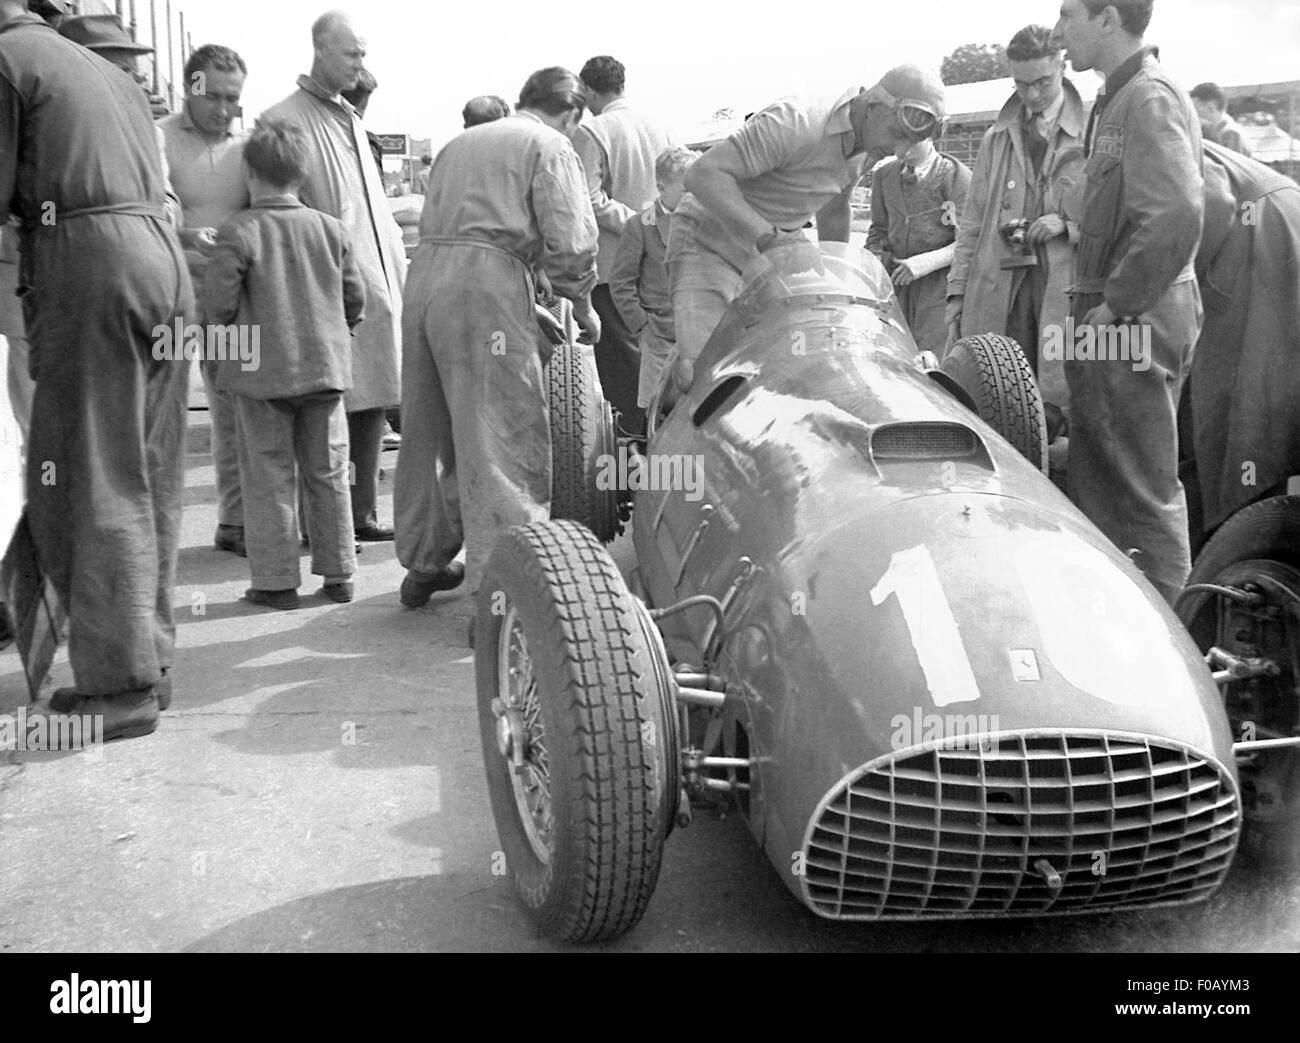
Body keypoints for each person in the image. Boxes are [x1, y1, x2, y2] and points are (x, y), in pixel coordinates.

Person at [0, 1, 193, 738]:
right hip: (158, 262)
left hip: (92, 261)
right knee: (149, 467)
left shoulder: (10, 62)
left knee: (93, 473)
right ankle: (151, 658)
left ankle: (119, 685)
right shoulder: (99, 73)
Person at [394, 67, 599, 625]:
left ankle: (424, 558)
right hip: (486, 285)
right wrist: (579, 303)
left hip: (427, 280)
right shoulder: (551, 145)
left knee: (430, 430)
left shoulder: (460, 143)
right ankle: (504, 598)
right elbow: (572, 242)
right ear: (573, 113)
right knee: (504, 438)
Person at [1053, 0, 1204, 605]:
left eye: (1069, 14)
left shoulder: (1146, 98)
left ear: (1108, 18)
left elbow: (1176, 214)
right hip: (1116, 312)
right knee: (1102, 471)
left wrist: (1116, 305)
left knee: (1140, 489)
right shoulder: (1119, 96)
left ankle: (1175, 646)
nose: (1060, 30)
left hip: (1131, 316)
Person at [666, 64, 939, 396]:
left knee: (789, 359)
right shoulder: (796, 122)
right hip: (708, 239)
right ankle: (664, 413)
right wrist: (767, 237)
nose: (898, 152)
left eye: (908, 143)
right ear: (873, 107)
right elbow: (702, 175)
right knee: (702, 375)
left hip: (773, 247)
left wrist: (838, 277)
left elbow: (836, 206)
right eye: (897, 135)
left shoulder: (869, 145)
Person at [203, 118, 365, 611]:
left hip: (261, 377)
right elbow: (353, 298)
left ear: (251, 173)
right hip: (324, 370)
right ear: (302, 174)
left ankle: (275, 582)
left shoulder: (240, 230)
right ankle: (339, 573)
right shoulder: (330, 229)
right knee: (330, 471)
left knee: (267, 476)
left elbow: (219, 303)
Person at [262, 10, 406, 543]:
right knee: (323, 413)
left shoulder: (349, 117)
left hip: (374, 288)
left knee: (371, 402)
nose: (360, 63)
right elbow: (279, 213)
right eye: (352, 53)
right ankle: (320, 526)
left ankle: (362, 514)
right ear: (320, 48)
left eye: (363, 54)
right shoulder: (285, 119)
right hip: (325, 294)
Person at [946, 23, 1087, 446]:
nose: (1032, 95)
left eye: (1042, 82)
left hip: (1063, 291)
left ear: (1062, 67)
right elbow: (971, 225)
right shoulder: (995, 140)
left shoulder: (1097, 132)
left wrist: (1069, 225)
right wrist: (957, 294)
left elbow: (1118, 213)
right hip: (1000, 288)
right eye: (1021, 85)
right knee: (994, 396)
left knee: (1060, 404)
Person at [1183, 140, 1300, 543]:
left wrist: (1179, 277)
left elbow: (1213, 200)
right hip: (1273, 224)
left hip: (1261, 232)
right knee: (1268, 390)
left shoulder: (1141, 132)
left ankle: (1239, 533)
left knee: (1242, 395)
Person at [160, 43, 250, 558]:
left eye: (232, 98)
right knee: (164, 411)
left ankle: (235, 522)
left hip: (228, 300)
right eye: (212, 96)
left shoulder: (248, 145)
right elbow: (149, 213)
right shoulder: (160, 138)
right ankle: (156, 530)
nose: (222, 108)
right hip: (170, 295)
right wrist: (188, 237)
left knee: (233, 410)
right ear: (191, 86)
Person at [575, 55, 674, 438]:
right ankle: (669, 445)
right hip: (663, 265)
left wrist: (636, 223)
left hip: (616, 270)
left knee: (623, 371)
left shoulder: (592, 132)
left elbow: (587, 198)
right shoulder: (660, 128)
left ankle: (637, 461)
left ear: (586, 90)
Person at [57, 13, 182, 226]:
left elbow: (170, 207)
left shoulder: (150, 135)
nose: (131, 83)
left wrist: (137, 211)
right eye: (120, 71)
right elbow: (42, 208)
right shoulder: (51, 131)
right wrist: (48, 229)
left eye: (131, 72)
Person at [866, 115, 970, 355]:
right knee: (892, 352)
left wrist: (920, 265)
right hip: (895, 286)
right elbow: (878, 229)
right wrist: (877, 258)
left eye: (913, 142)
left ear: (931, 136)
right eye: (898, 141)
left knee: (930, 358)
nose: (903, 150)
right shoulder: (884, 176)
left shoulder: (954, 176)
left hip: (937, 289)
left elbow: (966, 241)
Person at [609, 146, 695, 413]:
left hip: (701, 332)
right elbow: (621, 282)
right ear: (662, 188)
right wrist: (643, 325)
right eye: (685, 190)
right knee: (659, 410)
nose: (694, 196)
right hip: (660, 335)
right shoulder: (641, 224)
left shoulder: (707, 219)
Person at [1190, 82, 1252, 157]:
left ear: (1210, 108)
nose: (1193, 115)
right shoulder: (1221, 130)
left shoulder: (1230, 134)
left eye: (1195, 109)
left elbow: (1229, 166)